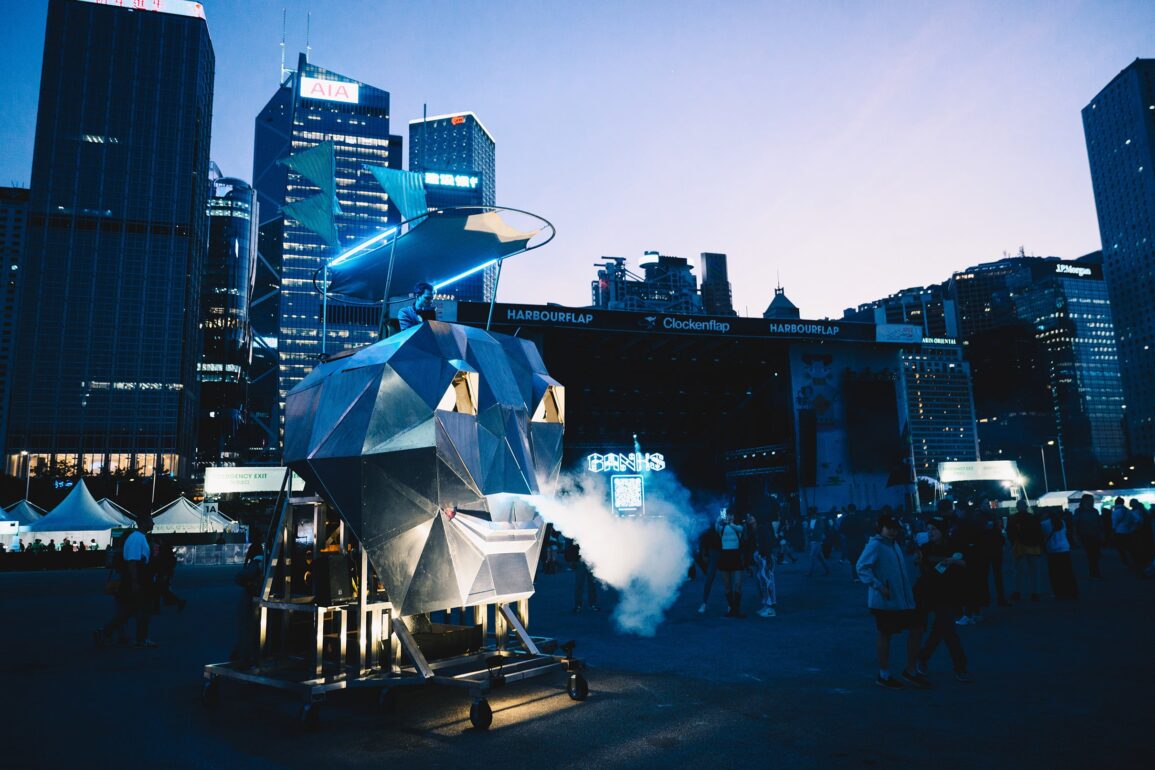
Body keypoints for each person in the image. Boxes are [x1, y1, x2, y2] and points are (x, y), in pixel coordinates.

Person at [856, 514, 925, 689]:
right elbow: (861, 567)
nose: (893, 531)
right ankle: (884, 674)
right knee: (885, 634)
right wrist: (878, 586)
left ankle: (910, 670)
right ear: (880, 527)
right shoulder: (876, 545)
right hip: (885, 601)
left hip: (902, 600)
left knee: (916, 628)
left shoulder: (893, 544)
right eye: (889, 527)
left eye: (895, 528)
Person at [913, 516, 972, 683]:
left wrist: (954, 561)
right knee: (943, 630)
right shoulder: (924, 548)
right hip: (929, 593)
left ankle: (927, 660)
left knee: (943, 630)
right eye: (928, 528)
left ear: (942, 531)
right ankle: (959, 667)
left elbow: (967, 564)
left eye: (934, 529)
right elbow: (921, 568)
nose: (930, 532)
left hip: (948, 594)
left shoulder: (955, 545)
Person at [96, 512, 157, 648]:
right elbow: (132, 561)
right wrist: (135, 581)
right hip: (136, 580)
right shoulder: (137, 538)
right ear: (143, 523)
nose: (153, 524)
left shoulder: (139, 537)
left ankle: (106, 633)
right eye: (150, 521)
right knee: (142, 611)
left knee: (128, 612)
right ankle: (141, 639)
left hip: (135, 579)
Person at [231, 542, 265, 667]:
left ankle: (244, 656)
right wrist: (252, 586)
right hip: (250, 602)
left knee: (249, 631)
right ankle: (244, 657)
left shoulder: (256, 563)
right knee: (250, 631)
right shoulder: (257, 564)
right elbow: (239, 578)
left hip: (250, 602)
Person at [1007, 498, 1044, 601]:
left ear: (1017, 507)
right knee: (1035, 572)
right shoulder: (1033, 518)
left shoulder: (1013, 518)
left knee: (1017, 572)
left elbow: (1010, 533)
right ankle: (1035, 592)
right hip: (1033, 547)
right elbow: (1039, 533)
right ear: (1026, 507)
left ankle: (1017, 591)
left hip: (1019, 547)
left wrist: (1013, 542)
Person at [716, 508, 747, 617]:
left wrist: (730, 523)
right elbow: (716, 526)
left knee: (737, 585)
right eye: (729, 515)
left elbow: (740, 529)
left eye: (732, 515)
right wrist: (719, 519)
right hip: (725, 557)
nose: (730, 516)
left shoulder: (738, 527)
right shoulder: (721, 528)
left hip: (736, 557)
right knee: (727, 586)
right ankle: (732, 609)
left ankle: (736, 609)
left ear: (734, 516)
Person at [1041, 508, 1078, 599]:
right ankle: (1072, 591)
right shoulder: (1062, 522)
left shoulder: (1044, 524)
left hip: (1053, 550)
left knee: (1055, 573)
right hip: (1065, 548)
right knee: (1067, 571)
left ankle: (1058, 592)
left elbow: (1043, 536)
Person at [751, 513, 778, 617]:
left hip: (765, 559)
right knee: (763, 583)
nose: (749, 518)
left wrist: (766, 557)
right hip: (763, 559)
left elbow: (766, 544)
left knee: (767, 583)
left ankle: (770, 609)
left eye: (751, 516)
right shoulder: (758, 529)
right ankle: (766, 606)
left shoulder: (762, 528)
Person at [1074, 493, 1105, 579]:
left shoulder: (1094, 511)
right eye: (1091, 500)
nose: (1092, 501)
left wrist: (1101, 533)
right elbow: (1075, 524)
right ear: (1085, 501)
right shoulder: (1079, 511)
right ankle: (1094, 573)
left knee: (1095, 554)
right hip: (1085, 535)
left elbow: (1099, 523)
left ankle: (1095, 572)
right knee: (1092, 554)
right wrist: (1076, 536)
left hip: (1095, 534)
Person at [697, 513, 723, 613]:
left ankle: (731, 605)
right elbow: (703, 542)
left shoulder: (722, 524)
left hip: (725, 552)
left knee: (727, 580)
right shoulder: (709, 527)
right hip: (713, 552)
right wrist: (704, 555)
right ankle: (704, 603)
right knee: (709, 578)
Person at [1110, 496, 1142, 573]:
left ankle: (1126, 564)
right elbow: (1138, 519)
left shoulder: (1115, 512)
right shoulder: (1129, 511)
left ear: (1116, 503)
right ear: (1123, 502)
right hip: (1128, 532)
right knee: (1130, 549)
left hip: (1119, 533)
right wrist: (1132, 527)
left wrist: (1113, 531)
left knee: (1121, 550)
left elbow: (1114, 524)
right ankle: (1135, 562)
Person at [566, 539, 599, 612]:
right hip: (581, 560)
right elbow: (571, 546)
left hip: (590, 560)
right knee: (580, 584)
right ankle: (580, 605)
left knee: (591, 584)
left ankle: (589, 604)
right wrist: (572, 560)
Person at [806, 510, 830, 577]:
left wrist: (811, 532)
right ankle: (827, 570)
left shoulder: (818, 520)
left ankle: (810, 572)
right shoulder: (812, 520)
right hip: (814, 540)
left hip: (817, 540)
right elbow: (808, 529)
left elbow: (820, 530)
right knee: (820, 557)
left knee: (812, 556)